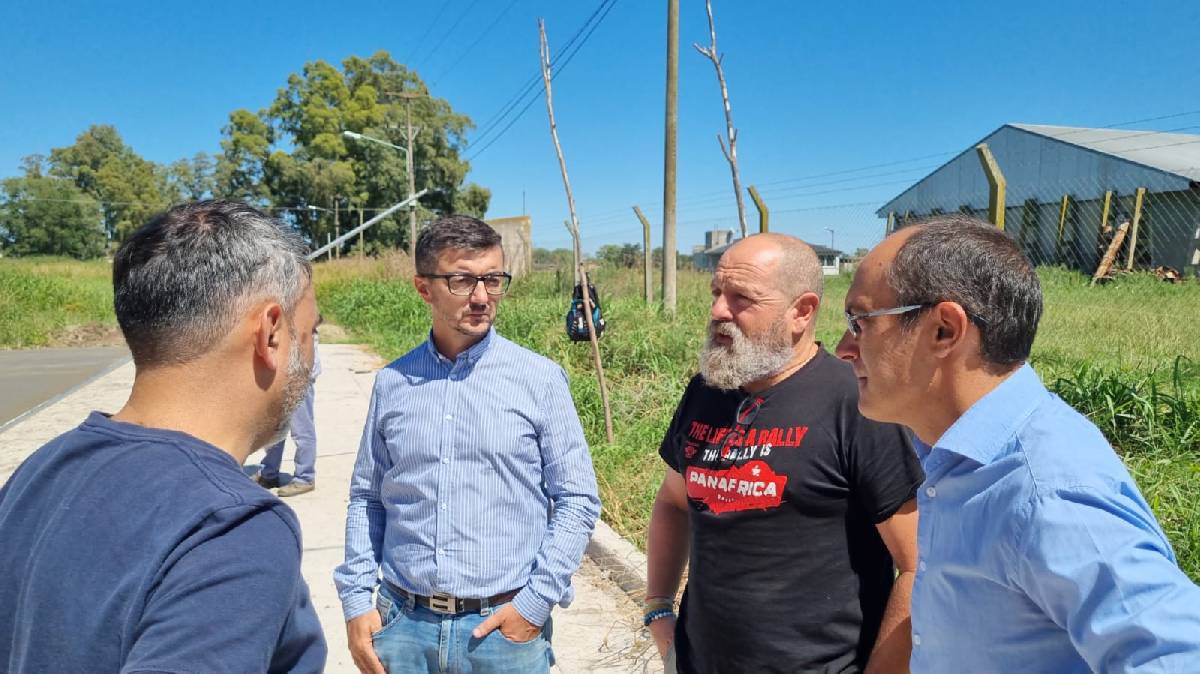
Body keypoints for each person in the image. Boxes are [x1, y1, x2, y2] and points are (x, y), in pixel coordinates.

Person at [836, 214, 1200, 672]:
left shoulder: (1046, 492)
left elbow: (1177, 655)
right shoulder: (955, 456)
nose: (843, 349)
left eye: (859, 321)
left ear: (944, 330)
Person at [0, 200, 327, 672]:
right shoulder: (231, 526)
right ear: (271, 332)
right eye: (310, 331)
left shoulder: (41, 470)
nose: (312, 358)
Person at [334, 215, 600, 674]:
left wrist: (535, 605)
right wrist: (358, 602)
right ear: (424, 288)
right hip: (402, 627)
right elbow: (368, 497)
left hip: (500, 634)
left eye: (493, 280)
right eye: (462, 280)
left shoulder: (539, 380)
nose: (481, 297)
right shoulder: (393, 383)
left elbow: (577, 499)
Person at [647, 233, 923, 674]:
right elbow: (673, 502)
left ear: (802, 311)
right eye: (717, 293)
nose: (719, 310)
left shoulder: (854, 403)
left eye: (742, 298)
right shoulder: (707, 389)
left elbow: (917, 565)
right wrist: (658, 610)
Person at [256, 336, 321, 496]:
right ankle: (268, 473)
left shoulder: (303, 314)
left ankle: (304, 478)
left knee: (301, 431)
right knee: (275, 428)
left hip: (300, 375)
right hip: (281, 374)